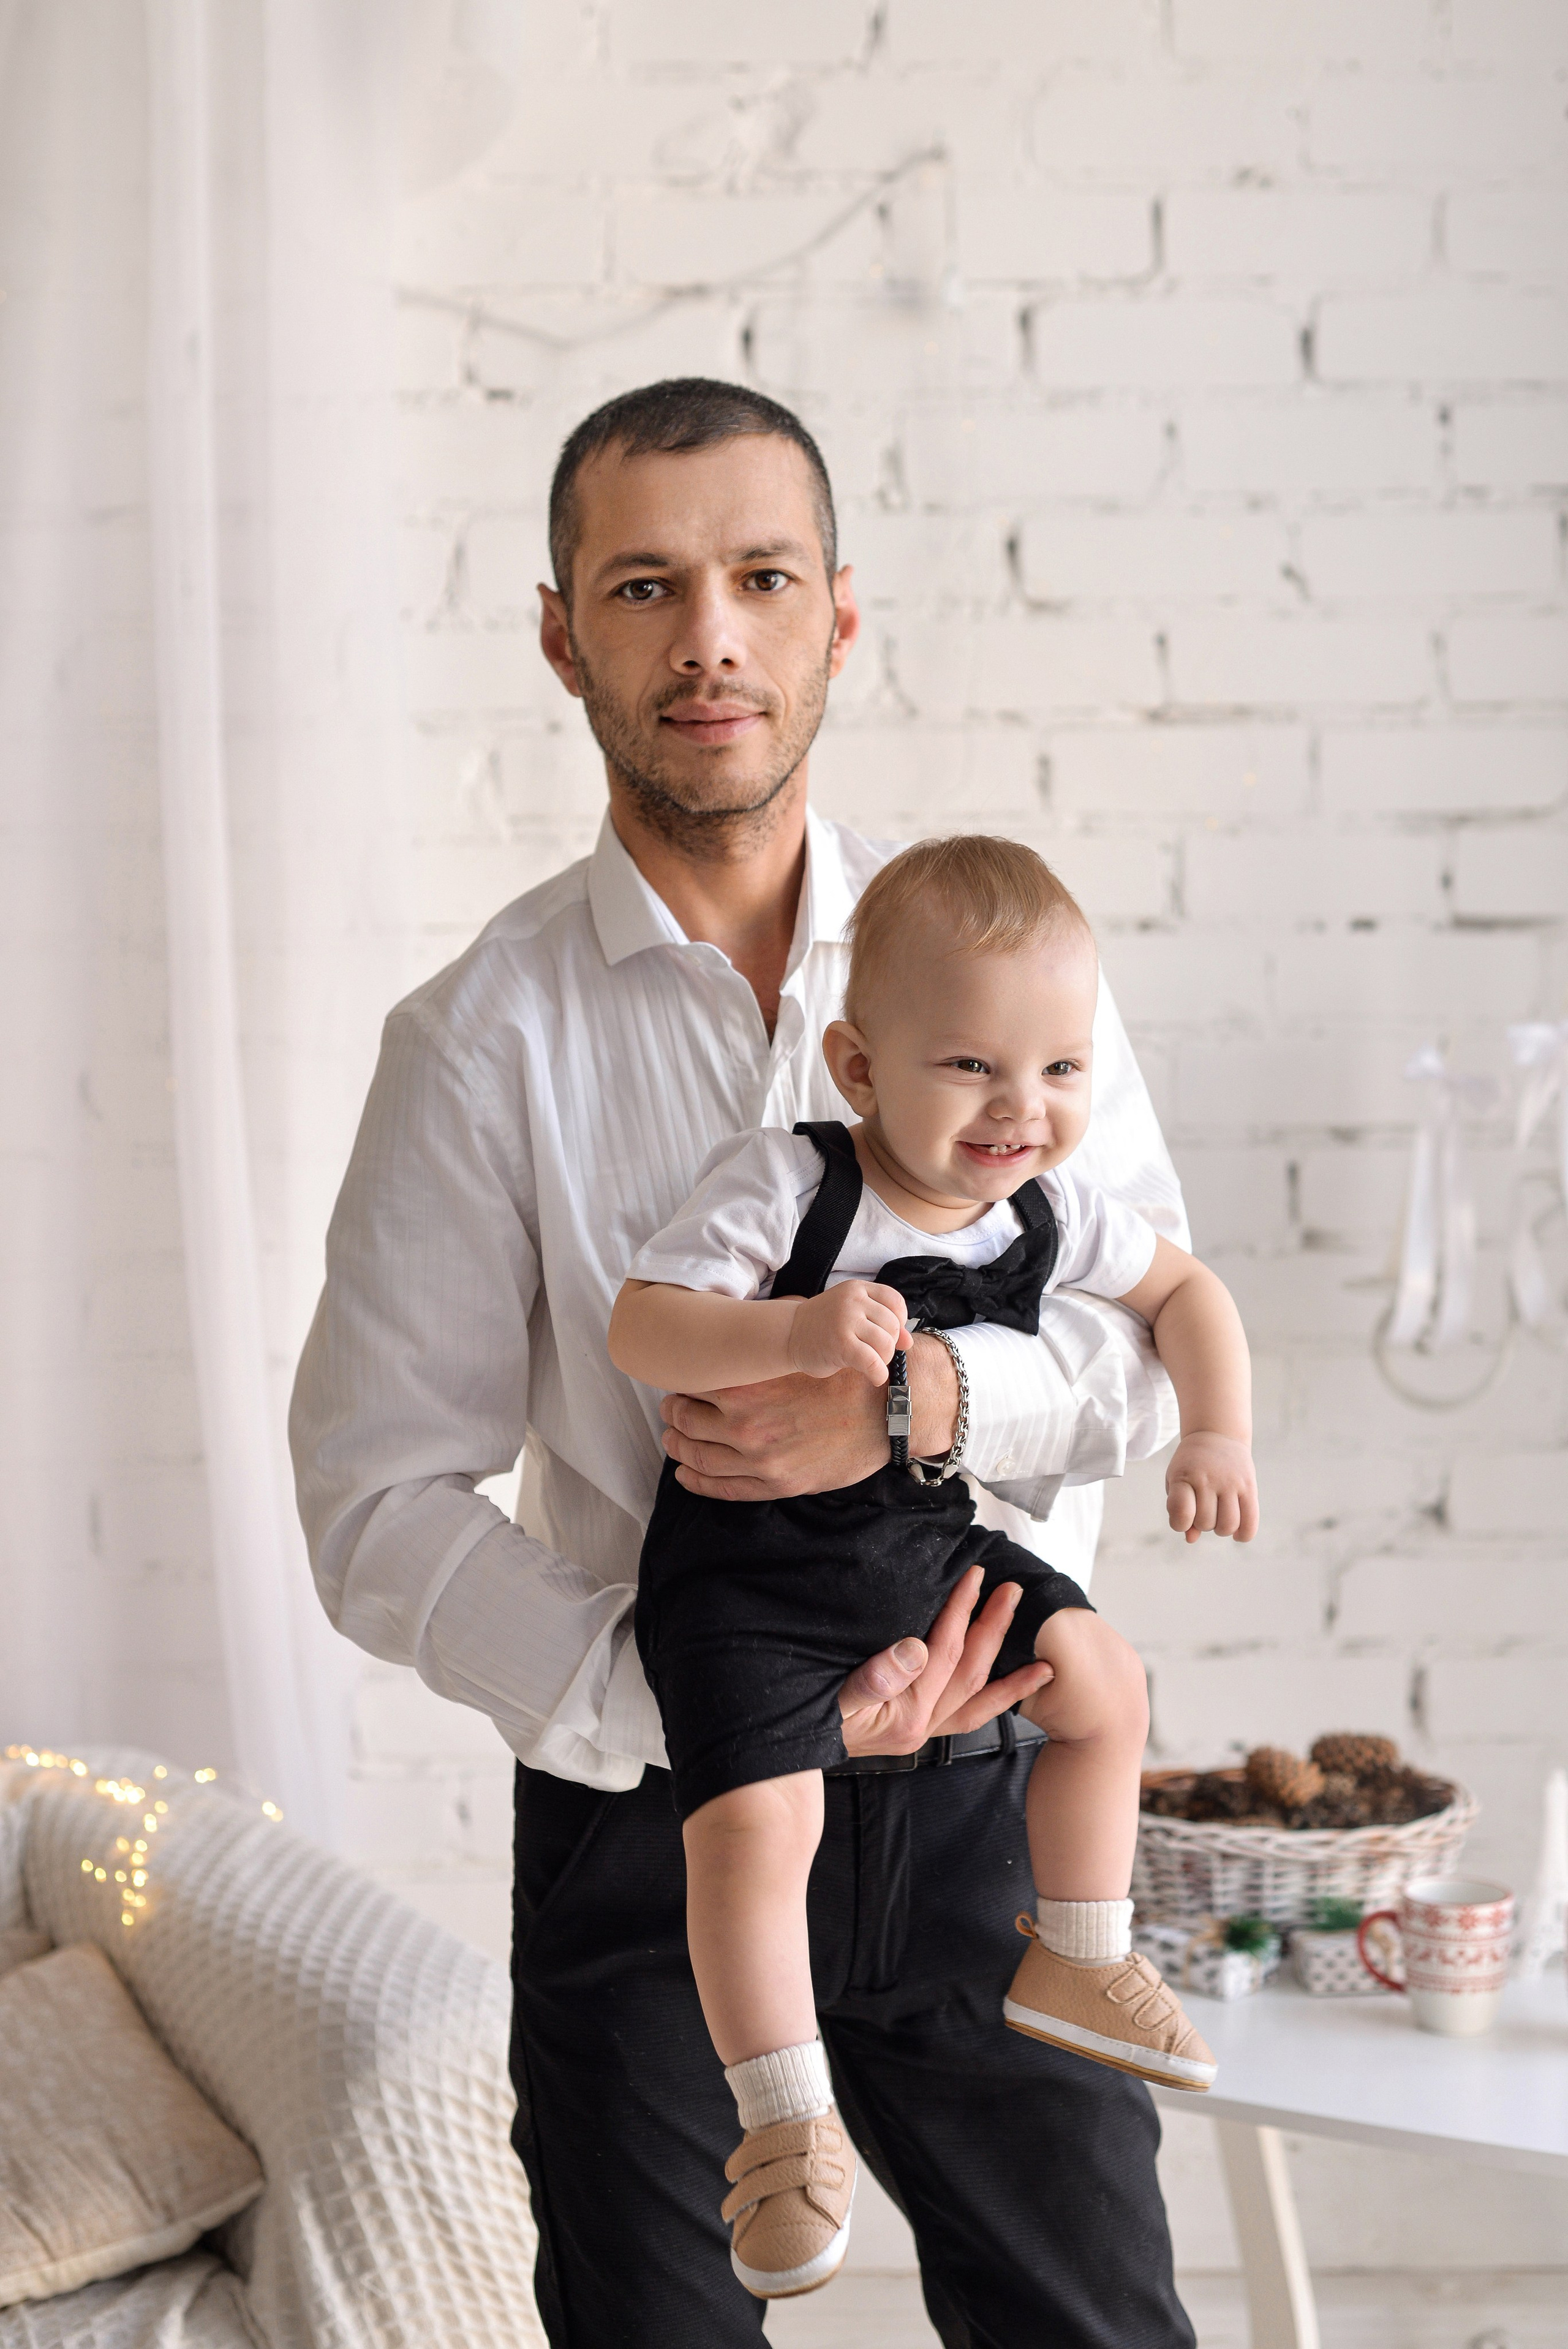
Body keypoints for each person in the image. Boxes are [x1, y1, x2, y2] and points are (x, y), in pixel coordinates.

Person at [290, 377, 1200, 2347]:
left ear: (836, 620)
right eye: (643, 585)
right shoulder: (477, 1042)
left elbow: (1146, 1351)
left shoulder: (1018, 973)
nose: (708, 635)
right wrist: (703, 1705)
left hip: (989, 1802)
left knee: (1102, 2328)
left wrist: (934, 1402)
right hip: (654, 1810)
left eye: (760, 577)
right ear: (562, 633)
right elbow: (372, 1503)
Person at [609, 833, 1255, 2298]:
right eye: (969, 1067)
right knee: (752, 1834)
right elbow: (639, 1327)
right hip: (747, 1586)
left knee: (1099, 1683)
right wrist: (784, 1332)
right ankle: (782, 2127)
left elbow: (1184, 1289)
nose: (1019, 1111)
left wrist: (1213, 1428)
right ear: (855, 1066)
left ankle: (1079, 1948)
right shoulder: (786, 1185)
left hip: (922, 1556)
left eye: (1060, 1071)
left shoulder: (1047, 1210)